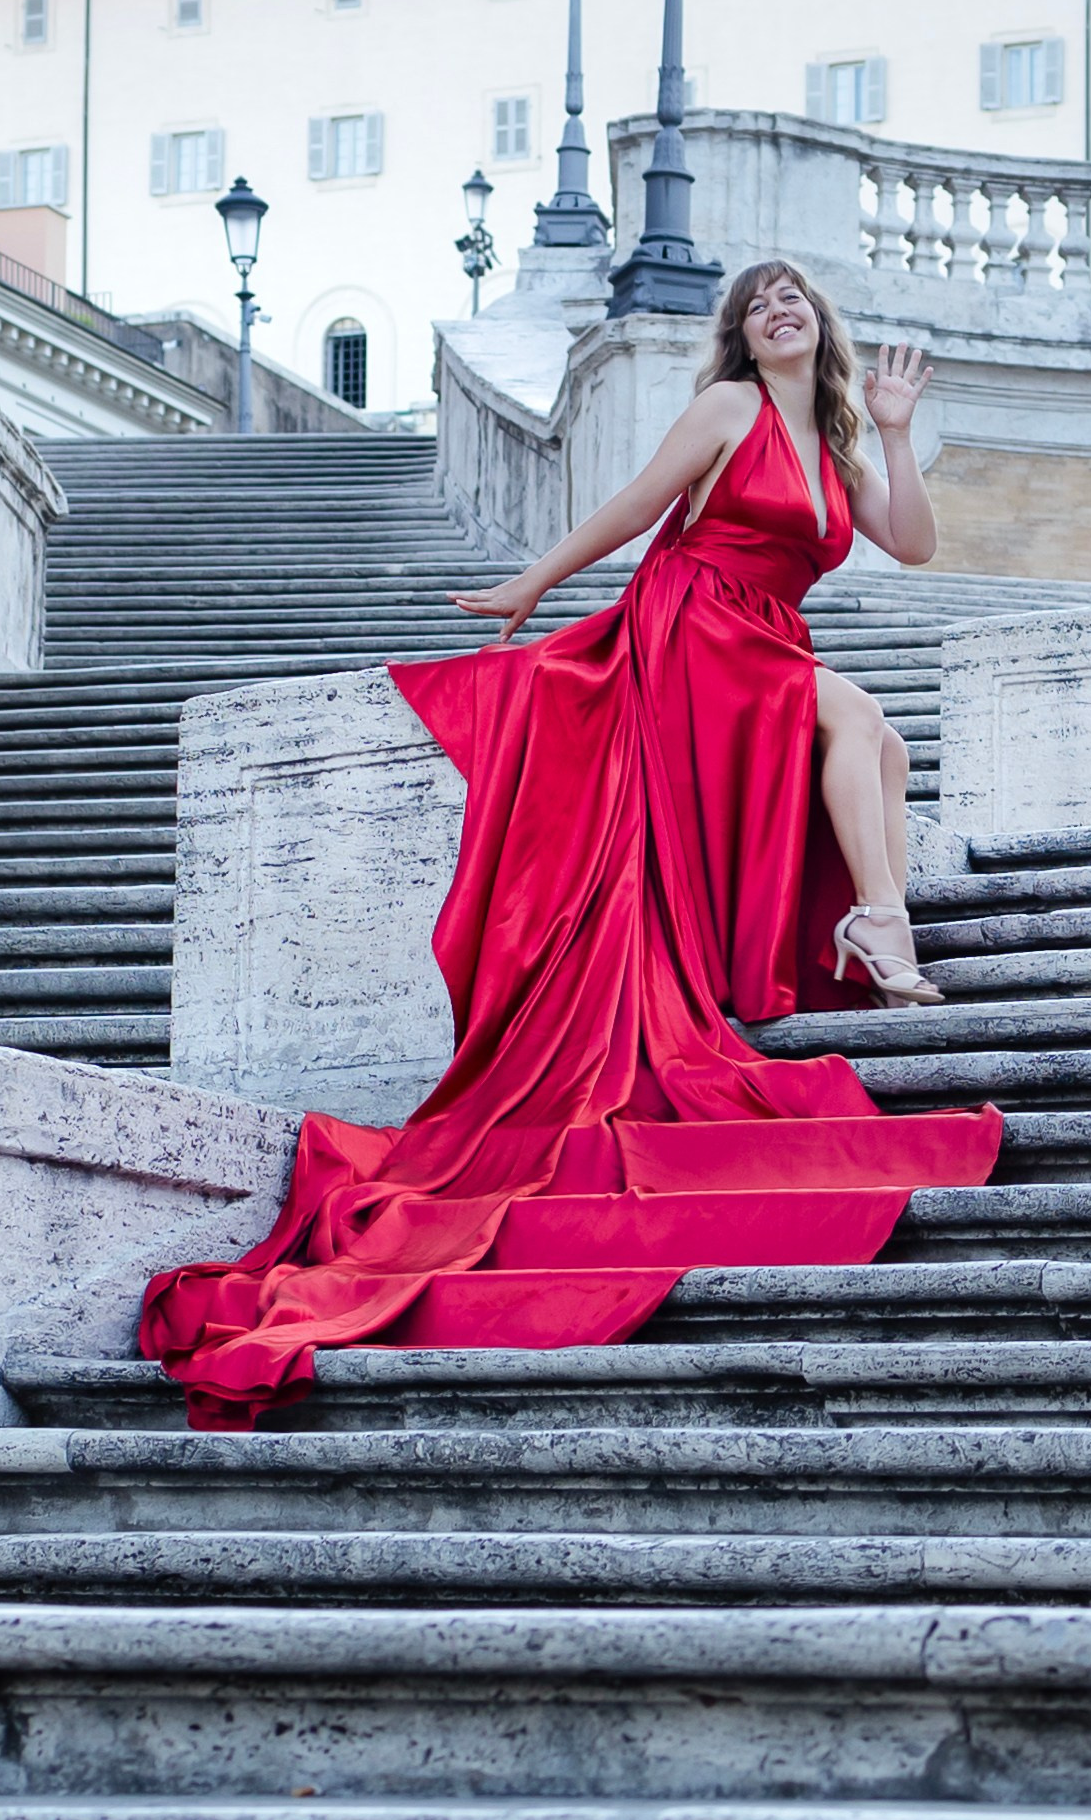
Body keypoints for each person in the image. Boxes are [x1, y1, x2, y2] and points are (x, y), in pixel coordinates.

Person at [141, 259, 1000, 1427]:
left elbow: (912, 545)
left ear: (822, 325)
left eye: (793, 297)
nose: (778, 310)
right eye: (758, 303)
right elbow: (637, 506)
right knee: (863, 722)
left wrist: (894, 433)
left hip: (765, 638)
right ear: (742, 336)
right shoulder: (727, 409)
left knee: (882, 748)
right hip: (692, 625)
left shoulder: (838, 440)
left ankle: (872, 921)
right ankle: (881, 928)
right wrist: (531, 587)